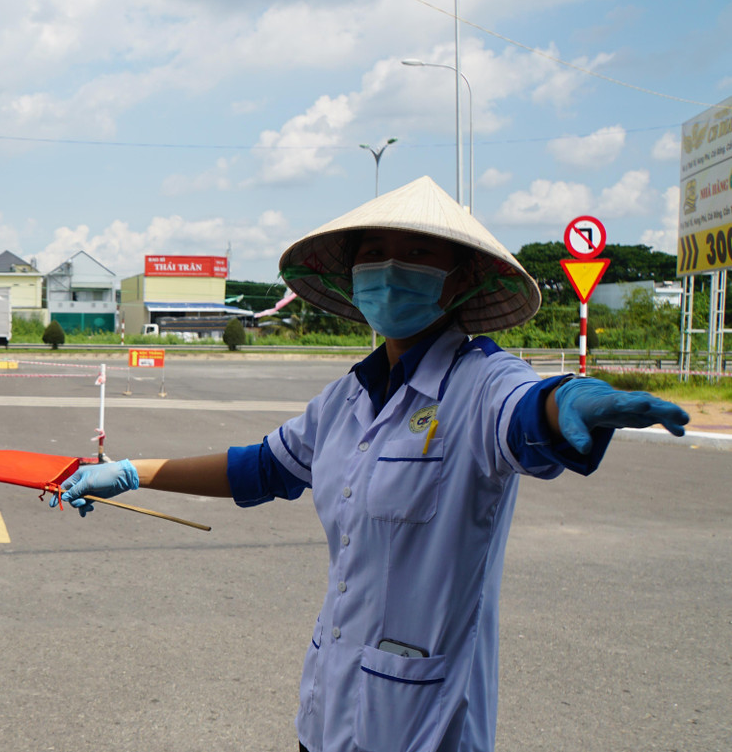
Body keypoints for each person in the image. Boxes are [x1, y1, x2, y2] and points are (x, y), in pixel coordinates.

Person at [50, 176, 689, 752]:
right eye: (372, 253)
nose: (389, 268)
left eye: (416, 252)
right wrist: (134, 471)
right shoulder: (345, 399)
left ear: (461, 278)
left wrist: (569, 398)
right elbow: (261, 469)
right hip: (328, 715)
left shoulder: (481, 381)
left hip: (425, 724)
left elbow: (526, 415)